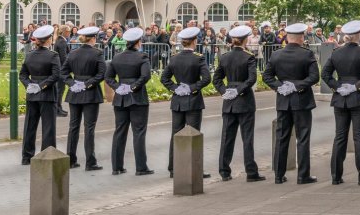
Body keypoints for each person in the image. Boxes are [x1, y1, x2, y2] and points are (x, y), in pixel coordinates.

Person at [320, 20, 360, 185]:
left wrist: (337, 87)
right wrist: (356, 86)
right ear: (358, 35)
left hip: (340, 97)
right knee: (359, 137)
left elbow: (325, 74)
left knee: (340, 137)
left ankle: (336, 175)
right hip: (359, 97)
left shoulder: (336, 52)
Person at [263, 23, 321, 184]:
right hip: (302, 101)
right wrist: (297, 86)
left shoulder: (276, 55)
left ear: (287, 38)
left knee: (282, 138)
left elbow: (267, 77)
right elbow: (314, 77)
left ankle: (278, 175)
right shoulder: (307, 55)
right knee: (302, 138)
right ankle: (303, 175)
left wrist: (280, 87)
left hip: (283, 101)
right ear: (301, 38)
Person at [161, 26, 213, 179]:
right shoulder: (199, 58)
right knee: (193, 134)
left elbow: (164, 79)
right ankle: (194, 168)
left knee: (175, 134)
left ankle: (173, 168)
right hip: (193, 100)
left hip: (177, 100)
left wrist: (176, 88)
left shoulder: (175, 57)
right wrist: (191, 88)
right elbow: (206, 79)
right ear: (194, 41)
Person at [214, 25, 263, 182]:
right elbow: (252, 79)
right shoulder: (248, 57)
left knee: (227, 137)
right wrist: (239, 89)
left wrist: (225, 91)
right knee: (247, 138)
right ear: (246, 39)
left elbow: (216, 79)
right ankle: (251, 172)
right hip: (244, 101)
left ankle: (224, 170)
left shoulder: (225, 57)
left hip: (229, 101)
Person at [106, 27, 154, 176]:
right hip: (137, 97)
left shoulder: (117, 57)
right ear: (138, 42)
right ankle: (141, 167)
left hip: (120, 97)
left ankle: (116, 167)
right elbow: (146, 76)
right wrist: (133, 87)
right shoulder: (142, 57)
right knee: (138, 132)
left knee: (119, 131)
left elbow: (108, 77)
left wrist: (119, 87)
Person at [61, 26, 106, 170]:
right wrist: (87, 84)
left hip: (75, 92)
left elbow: (63, 73)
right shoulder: (97, 54)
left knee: (73, 127)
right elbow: (101, 74)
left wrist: (73, 83)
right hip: (90, 93)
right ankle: (90, 162)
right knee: (89, 128)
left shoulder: (73, 53)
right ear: (93, 38)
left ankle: (70, 159)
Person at [18, 25, 62, 165]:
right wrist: (41, 86)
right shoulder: (53, 55)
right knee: (48, 127)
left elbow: (23, 74)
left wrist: (30, 85)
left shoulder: (29, 55)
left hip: (32, 94)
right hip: (47, 94)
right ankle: (47, 156)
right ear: (48, 40)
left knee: (30, 126)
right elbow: (56, 75)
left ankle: (26, 156)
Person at [53, 26, 70, 117]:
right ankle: (57, 109)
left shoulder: (59, 40)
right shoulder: (62, 41)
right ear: (64, 32)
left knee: (60, 89)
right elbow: (64, 57)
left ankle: (58, 108)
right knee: (60, 89)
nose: (69, 33)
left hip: (59, 68)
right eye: (68, 31)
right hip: (61, 69)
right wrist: (67, 68)